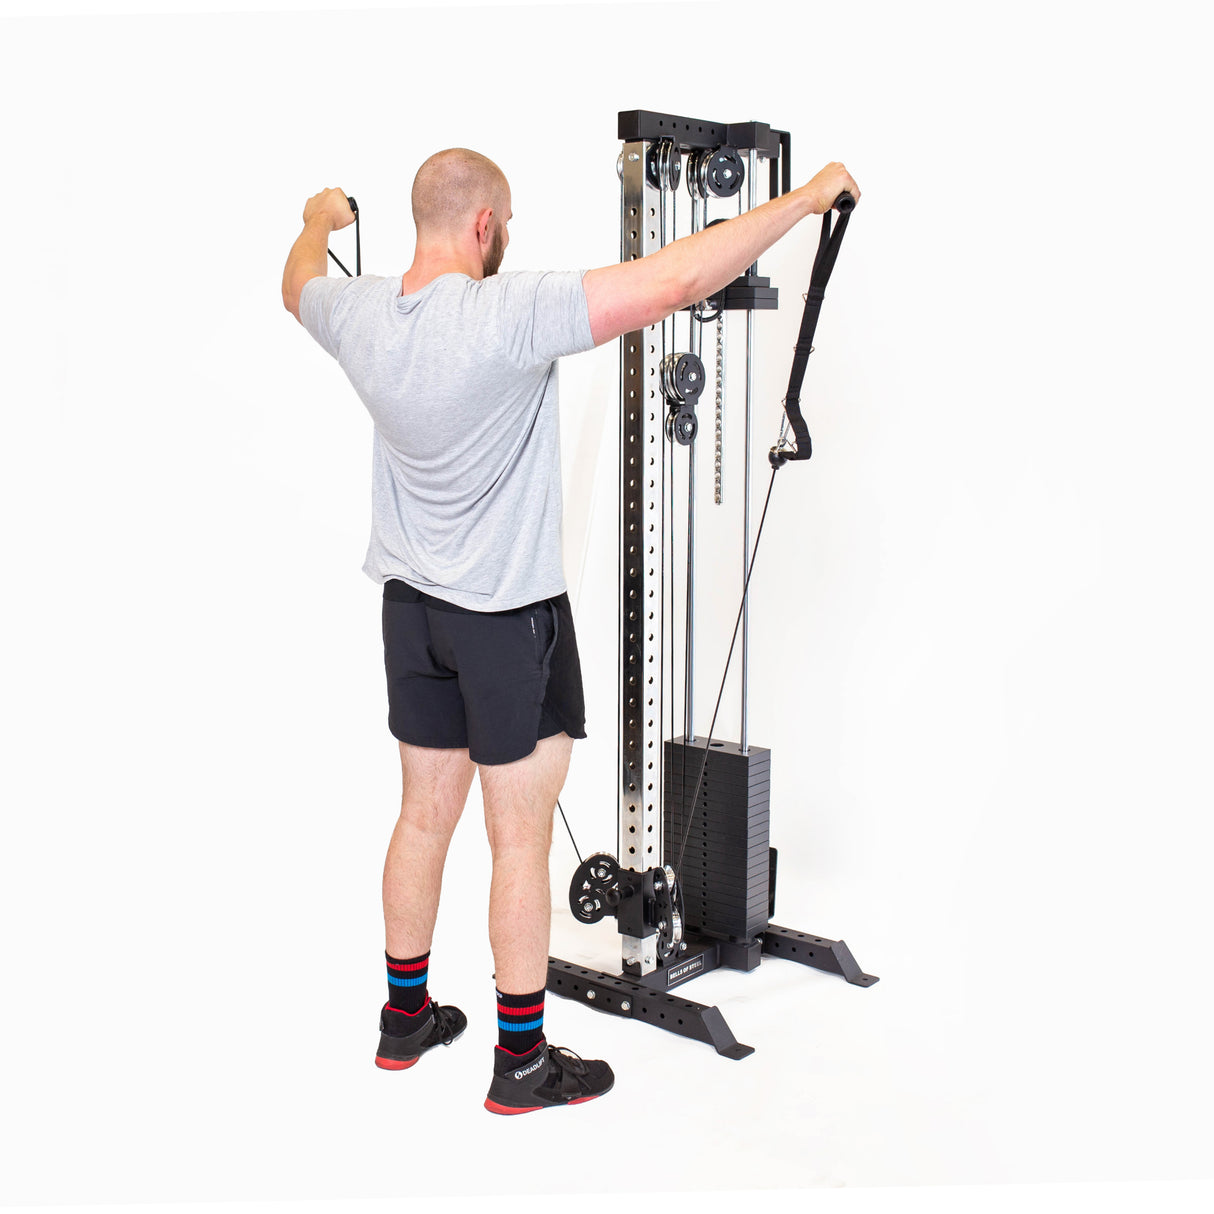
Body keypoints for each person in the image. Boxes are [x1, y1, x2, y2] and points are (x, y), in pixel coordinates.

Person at [281, 146, 859, 1114]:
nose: (506, 239)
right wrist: (802, 201)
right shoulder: (510, 313)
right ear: (482, 225)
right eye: (503, 224)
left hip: (410, 612)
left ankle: (404, 1017)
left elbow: (296, 278)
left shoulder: (359, 313)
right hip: (505, 621)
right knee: (517, 842)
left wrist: (316, 216)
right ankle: (520, 1062)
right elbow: (675, 277)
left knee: (422, 815)